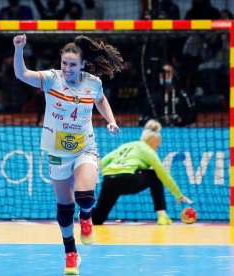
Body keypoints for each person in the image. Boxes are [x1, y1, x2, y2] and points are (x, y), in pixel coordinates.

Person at [13, 34, 123, 274]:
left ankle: (86, 217)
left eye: (73, 64)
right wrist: (19, 49)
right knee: (64, 208)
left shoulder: (93, 83)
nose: (68, 68)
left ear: (82, 64)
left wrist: (111, 121)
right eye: (65, 63)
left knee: (84, 197)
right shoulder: (52, 80)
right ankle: (71, 253)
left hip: (85, 147)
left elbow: (101, 101)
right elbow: (22, 74)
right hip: (57, 150)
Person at [91, 119, 193, 226]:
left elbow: (103, 162)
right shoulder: (148, 150)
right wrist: (179, 195)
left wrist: (111, 174)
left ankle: (84, 211)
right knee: (155, 176)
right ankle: (162, 216)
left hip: (109, 181)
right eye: (157, 146)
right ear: (153, 141)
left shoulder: (126, 146)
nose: (157, 148)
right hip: (128, 179)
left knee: (98, 219)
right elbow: (164, 174)